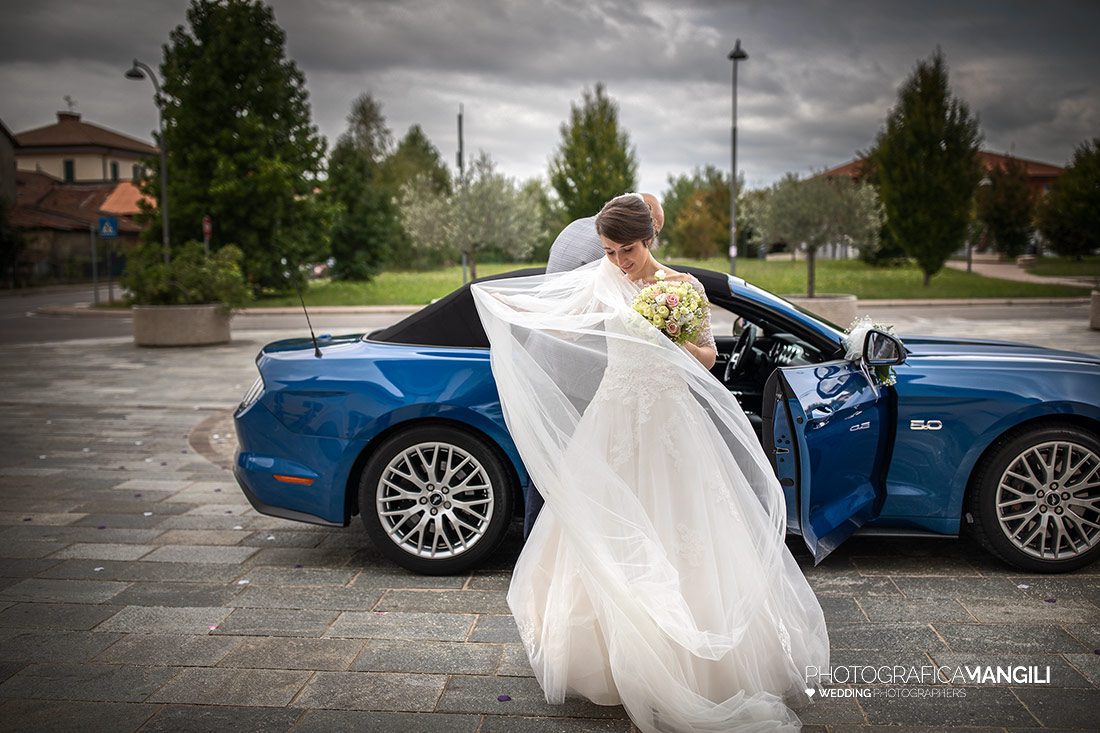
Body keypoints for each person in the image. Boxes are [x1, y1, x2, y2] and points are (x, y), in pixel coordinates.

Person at [471, 193, 830, 732]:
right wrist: (534, 320)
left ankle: (687, 663)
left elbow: (708, 356)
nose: (619, 262)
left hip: (669, 421)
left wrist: (669, 338)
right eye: (611, 251)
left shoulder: (684, 289)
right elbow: (570, 330)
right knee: (602, 528)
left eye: (628, 250)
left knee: (682, 527)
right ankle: (610, 659)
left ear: (651, 239)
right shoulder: (603, 278)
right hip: (614, 416)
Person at [520, 193, 664, 540]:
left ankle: (541, 550)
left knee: (552, 468)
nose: (619, 257)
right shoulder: (609, 262)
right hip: (580, 374)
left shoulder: (574, 230)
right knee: (568, 472)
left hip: (549, 363)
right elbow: (582, 314)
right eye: (655, 228)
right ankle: (545, 552)